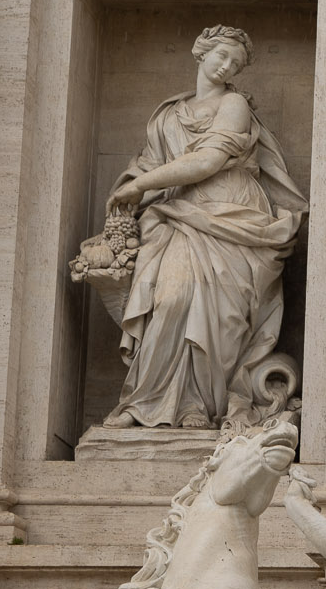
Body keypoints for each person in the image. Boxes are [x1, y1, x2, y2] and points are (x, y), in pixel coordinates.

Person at [97, 26, 306, 430]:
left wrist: (142, 184)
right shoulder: (167, 115)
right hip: (179, 213)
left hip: (232, 215)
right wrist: (131, 189)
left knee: (221, 317)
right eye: (222, 56)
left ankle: (200, 407)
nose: (227, 66)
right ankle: (145, 402)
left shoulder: (234, 105)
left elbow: (207, 161)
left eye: (236, 63)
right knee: (171, 300)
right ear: (201, 52)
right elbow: (149, 163)